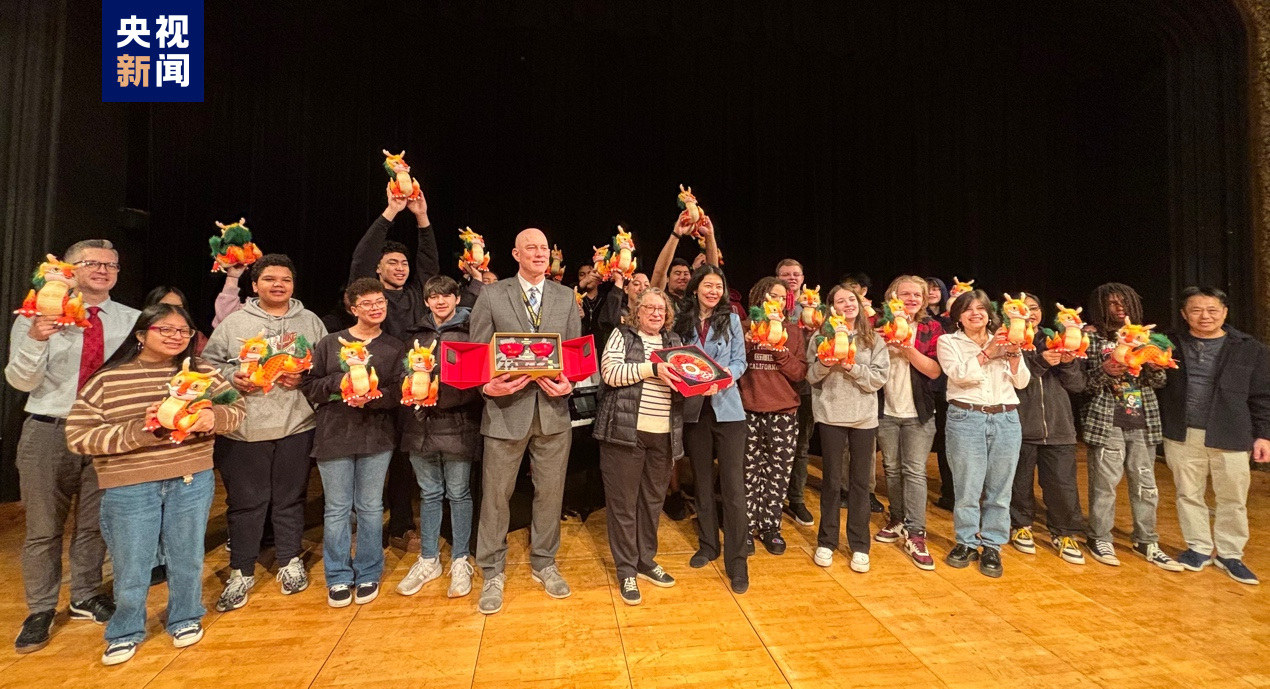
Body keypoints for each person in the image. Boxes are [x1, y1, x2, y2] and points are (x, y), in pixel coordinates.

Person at [66, 304, 245, 665]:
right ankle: (125, 630)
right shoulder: (108, 380)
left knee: (187, 556)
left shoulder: (204, 374)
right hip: (130, 484)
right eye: (166, 329)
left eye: (183, 331)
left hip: (190, 477)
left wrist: (212, 417)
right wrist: (141, 432)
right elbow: (79, 436)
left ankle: (185, 616)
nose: (176, 337)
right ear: (141, 334)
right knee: (132, 564)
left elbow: (237, 411)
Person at [6, 239, 139, 654]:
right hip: (50, 429)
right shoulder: (40, 315)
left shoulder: (132, 320)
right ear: (70, 268)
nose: (103, 270)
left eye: (111, 265)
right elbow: (19, 381)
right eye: (92, 263)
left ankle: (84, 594)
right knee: (43, 529)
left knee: (94, 524)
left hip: (106, 432)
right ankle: (41, 608)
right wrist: (37, 338)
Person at [202, 254, 329, 611]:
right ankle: (241, 570)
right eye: (270, 279)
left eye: (285, 280)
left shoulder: (310, 321)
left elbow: (325, 365)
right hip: (245, 428)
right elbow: (209, 364)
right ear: (255, 285)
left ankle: (289, 561)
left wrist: (304, 377)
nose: (278, 285)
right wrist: (232, 377)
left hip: (296, 425)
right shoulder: (235, 322)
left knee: (291, 499)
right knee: (246, 503)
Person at [470, 228, 582, 615]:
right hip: (505, 413)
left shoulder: (566, 296)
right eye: (531, 248)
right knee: (496, 496)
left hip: (552, 413)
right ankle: (492, 569)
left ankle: (545, 563)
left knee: (550, 494)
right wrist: (488, 388)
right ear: (516, 254)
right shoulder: (492, 294)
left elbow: (573, 355)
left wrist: (570, 382)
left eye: (544, 248)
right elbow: (477, 356)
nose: (539, 253)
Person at [300, 278, 404, 607]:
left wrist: (373, 398)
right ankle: (339, 575)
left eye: (381, 302)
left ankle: (369, 570)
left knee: (372, 508)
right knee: (337, 509)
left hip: (376, 435)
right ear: (352, 308)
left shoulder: (393, 346)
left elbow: (401, 392)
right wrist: (341, 384)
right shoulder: (331, 343)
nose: (376, 308)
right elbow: (311, 387)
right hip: (334, 435)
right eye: (368, 304)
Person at [1159, 286, 1270, 584]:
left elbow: (1262, 396)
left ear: (1224, 312)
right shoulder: (1168, 344)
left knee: (1233, 497)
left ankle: (1230, 554)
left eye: (1212, 310)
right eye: (1195, 310)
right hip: (1182, 432)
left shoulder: (1250, 348)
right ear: (1184, 314)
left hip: (1232, 433)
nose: (1204, 316)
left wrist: (1264, 436)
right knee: (1187, 493)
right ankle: (1198, 547)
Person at [349, 185, 439, 551]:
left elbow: (429, 263)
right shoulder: (373, 295)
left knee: (405, 460)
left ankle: (401, 524)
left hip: (414, 384)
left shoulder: (419, 293)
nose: (401, 269)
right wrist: (390, 213)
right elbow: (361, 259)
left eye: (403, 263)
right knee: (374, 459)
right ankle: (366, 521)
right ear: (378, 269)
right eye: (392, 263)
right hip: (376, 383)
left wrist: (421, 217)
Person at [593, 287, 684, 605]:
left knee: (651, 504)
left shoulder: (673, 342)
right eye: (650, 308)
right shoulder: (623, 335)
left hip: (663, 437)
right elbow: (610, 374)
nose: (656, 313)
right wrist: (653, 369)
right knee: (623, 506)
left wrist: (707, 381)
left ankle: (646, 561)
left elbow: (685, 382)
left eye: (662, 309)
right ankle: (627, 570)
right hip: (624, 434)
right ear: (638, 310)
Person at [1081, 283, 1181, 571]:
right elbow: (1080, 385)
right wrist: (1104, 370)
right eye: (1112, 303)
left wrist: (1156, 367)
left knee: (1146, 484)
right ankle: (1099, 537)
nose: (1119, 307)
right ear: (1101, 307)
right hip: (1106, 420)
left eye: (1124, 302)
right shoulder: (1091, 339)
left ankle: (1146, 540)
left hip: (1142, 420)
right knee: (1104, 485)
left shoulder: (1144, 338)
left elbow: (1157, 384)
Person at [396, 275, 483, 599]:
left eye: (447, 295)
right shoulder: (413, 334)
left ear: (457, 298)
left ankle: (460, 559)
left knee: (459, 493)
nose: (441, 301)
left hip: (458, 423)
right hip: (420, 425)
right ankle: (429, 558)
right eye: (434, 296)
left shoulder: (473, 330)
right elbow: (404, 373)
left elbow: (480, 378)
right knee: (430, 493)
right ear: (427, 300)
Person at [938, 290, 1031, 578]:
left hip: (1005, 418)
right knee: (967, 487)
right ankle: (966, 542)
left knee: (1000, 489)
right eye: (968, 310)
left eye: (981, 308)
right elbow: (958, 375)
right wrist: (987, 354)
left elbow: (1022, 381)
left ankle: (992, 544)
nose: (975, 313)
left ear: (990, 313)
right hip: (967, 417)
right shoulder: (948, 341)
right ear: (958, 317)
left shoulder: (1006, 337)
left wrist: (1013, 355)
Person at [673, 266, 750, 592]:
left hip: (728, 410)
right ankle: (708, 544)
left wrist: (719, 381)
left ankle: (738, 560)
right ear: (695, 289)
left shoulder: (731, 319)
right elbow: (677, 359)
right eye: (708, 285)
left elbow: (739, 362)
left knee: (733, 488)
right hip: (694, 412)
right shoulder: (682, 322)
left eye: (719, 286)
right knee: (702, 482)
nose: (713, 291)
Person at [807, 284, 888, 572]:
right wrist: (827, 364)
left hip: (864, 419)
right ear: (832, 308)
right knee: (831, 482)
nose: (847, 304)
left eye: (851, 299)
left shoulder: (872, 338)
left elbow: (879, 379)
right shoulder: (820, 336)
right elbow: (811, 376)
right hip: (830, 416)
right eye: (840, 301)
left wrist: (851, 367)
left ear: (859, 303)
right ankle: (826, 542)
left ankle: (860, 545)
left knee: (860, 484)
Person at [1009, 294, 1087, 564]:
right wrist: (1041, 361)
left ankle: (1064, 533)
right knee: (1018, 483)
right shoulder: (1011, 340)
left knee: (1062, 485)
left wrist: (1066, 362)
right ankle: (1020, 526)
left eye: (1034, 308)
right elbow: (1017, 381)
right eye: (1022, 309)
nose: (1029, 313)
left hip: (1059, 426)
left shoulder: (1061, 337)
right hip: (1020, 424)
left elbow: (1078, 385)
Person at [873, 275, 944, 570]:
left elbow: (935, 371)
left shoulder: (932, 328)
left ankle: (916, 533)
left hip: (919, 413)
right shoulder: (878, 324)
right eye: (906, 294)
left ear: (925, 299)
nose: (912, 299)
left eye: (918, 294)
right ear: (893, 296)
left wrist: (906, 347)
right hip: (885, 410)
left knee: (914, 471)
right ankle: (898, 518)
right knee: (891, 468)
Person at [739, 277, 808, 555]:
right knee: (747, 472)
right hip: (748, 410)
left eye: (781, 297)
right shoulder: (744, 328)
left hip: (783, 412)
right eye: (771, 295)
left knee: (777, 473)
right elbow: (733, 365)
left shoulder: (793, 331)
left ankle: (770, 526)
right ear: (758, 298)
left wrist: (779, 353)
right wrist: (750, 341)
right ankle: (744, 527)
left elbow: (799, 373)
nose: (776, 301)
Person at [775, 259, 817, 529]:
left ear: (803, 278)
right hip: (775, 386)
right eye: (785, 274)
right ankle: (773, 499)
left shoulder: (815, 306)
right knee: (775, 448)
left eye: (796, 274)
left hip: (805, 386)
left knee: (801, 446)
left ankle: (797, 498)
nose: (791, 277)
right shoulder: (772, 305)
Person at [925, 277, 955, 511]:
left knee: (947, 443)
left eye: (936, 288)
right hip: (923, 386)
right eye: (928, 289)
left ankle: (950, 491)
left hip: (947, 389)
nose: (932, 292)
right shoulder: (917, 319)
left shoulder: (953, 319)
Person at [651, 212, 716, 300]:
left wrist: (709, 235)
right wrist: (676, 233)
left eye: (686, 274)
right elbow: (659, 273)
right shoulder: (661, 300)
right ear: (667, 279)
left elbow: (713, 275)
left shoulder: (697, 301)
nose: (682, 277)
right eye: (677, 273)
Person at [143, 286, 209, 355]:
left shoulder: (196, 338)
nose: (174, 311)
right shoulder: (141, 332)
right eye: (165, 307)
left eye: (179, 308)